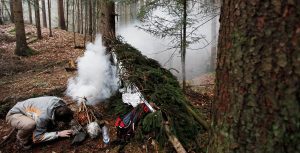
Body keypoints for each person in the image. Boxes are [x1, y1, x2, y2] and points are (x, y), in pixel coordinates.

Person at [6, 96, 74, 150]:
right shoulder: (42, 117)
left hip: (26, 109)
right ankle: (21, 140)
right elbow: (37, 138)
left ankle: (24, 124)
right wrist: (58, 134)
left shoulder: (60, 102)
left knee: (46, 124)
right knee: (30, 125)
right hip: (14, 114)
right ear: (57, 118)